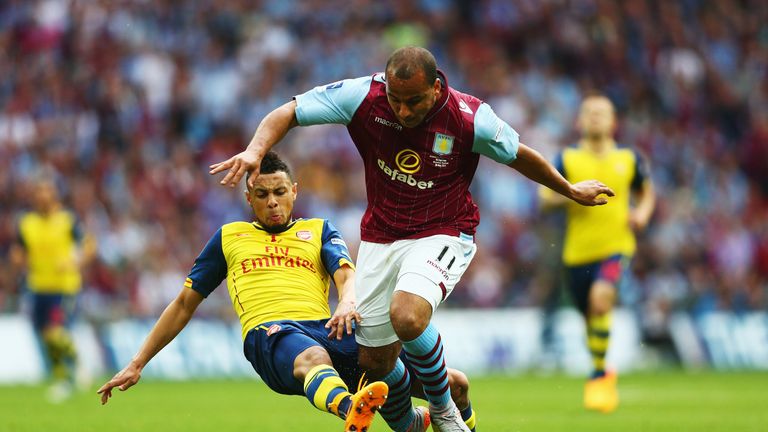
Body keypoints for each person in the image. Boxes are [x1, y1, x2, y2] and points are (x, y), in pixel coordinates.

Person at [210, 47, 614, 432]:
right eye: (395, 99)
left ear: (436, 87)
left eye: (414, 101)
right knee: (373, 365)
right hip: (381, 237)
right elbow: (291, 111)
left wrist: (569, 190)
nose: (402, 110)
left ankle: (443, 408)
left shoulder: (470, 117)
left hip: (444, 229)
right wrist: (255, 150)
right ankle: (420, 421)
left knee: (406, 315)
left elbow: (518, 153)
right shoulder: (362, 96)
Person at [98, 152, 476, 432]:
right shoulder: (229, 237)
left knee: (454, 384)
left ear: (294, 191)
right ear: (249, 198)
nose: (272, 202)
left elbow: (346, 276)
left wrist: (346, 301)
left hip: (330, 329)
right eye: (262, 195)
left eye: (279, 192)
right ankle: (351, 410)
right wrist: (137, 362)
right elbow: (183, 304)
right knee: (311, 357)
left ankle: (426, 423)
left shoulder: (318, 229)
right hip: (272, 334)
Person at [539, 94, 656, 413]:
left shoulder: (630, 159)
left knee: (600, 301)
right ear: (579, 121)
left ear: (614, 122)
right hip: (576, 253)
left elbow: (646, 192)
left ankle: (599, 375)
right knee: (590, 315)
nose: (595, 117)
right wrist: (571, 193)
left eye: (602, 113)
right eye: (589, 112)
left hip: (616, 247)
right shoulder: (567, 159)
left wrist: (642, 214)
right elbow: (544, 198)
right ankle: (601, 368)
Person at [10, 178, 95, 402]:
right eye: (38, 191)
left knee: (55, 332)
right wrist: (18, 259)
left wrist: (75, 261)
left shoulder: (67, 220)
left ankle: (77, 363)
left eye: (46, 191)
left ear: (55, 194)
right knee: (45, 336)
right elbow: (19, 250)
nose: (42, 196)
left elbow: (88, 246)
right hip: (38, 286)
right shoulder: (27, 223)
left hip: (64, 286)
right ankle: (62, 379)